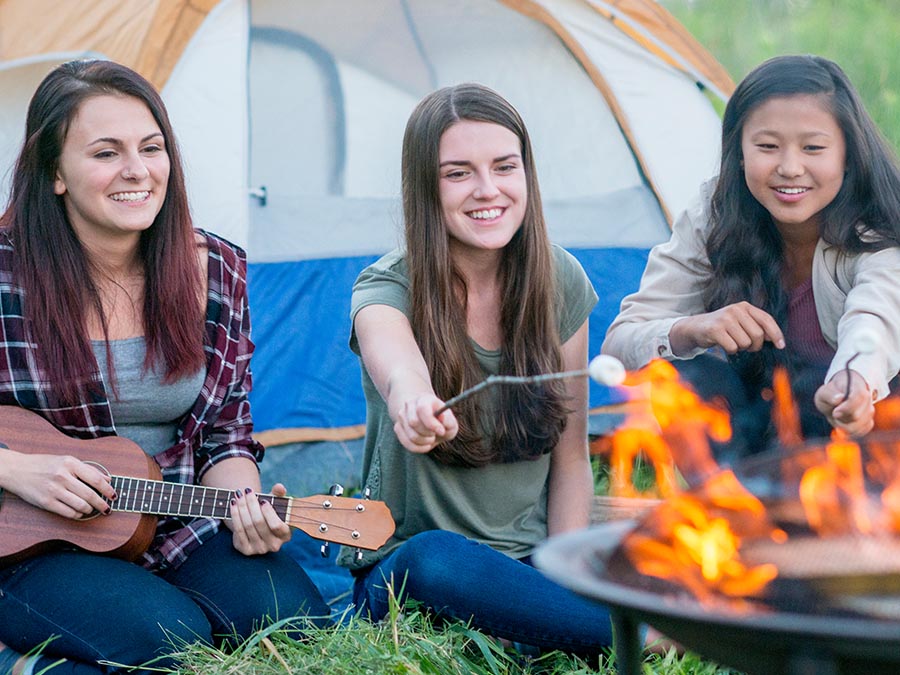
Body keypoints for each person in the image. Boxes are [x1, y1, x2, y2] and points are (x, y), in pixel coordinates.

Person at [0, 60, 330, 675]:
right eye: (106, 152)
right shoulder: (3, 274)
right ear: (54, 173)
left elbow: (225, 431)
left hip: (174, 522)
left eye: (151, 148)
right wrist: (16, 468)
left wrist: (245, 504)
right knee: (172, 641)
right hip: (26, 542)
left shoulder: (216, 270)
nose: (137, 170)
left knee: (298, 630)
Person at [338, 82, 614, 655]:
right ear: (425, 187)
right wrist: (412, 400)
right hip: (410, 570)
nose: (488, 190)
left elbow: (569, 462)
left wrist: (560, 578)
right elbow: (397, 367)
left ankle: (549, 621)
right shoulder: (387, 287)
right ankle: (643, 638)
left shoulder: (560, 281)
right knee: (438, 558)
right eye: (458, 173)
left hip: (529, 564)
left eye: (504, 166)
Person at [602, 54, 900, 458]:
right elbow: (619, 344)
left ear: (847, 155)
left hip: (863, 423)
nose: (790, 167)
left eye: (813, 147)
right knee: (679, 374)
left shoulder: (880, 224)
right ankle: (732, 503)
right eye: (767, 146)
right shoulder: (717, 214)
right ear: (739, 151)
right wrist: (696, 328)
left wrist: (856, 380)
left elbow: (876, 318)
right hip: (769, 419)